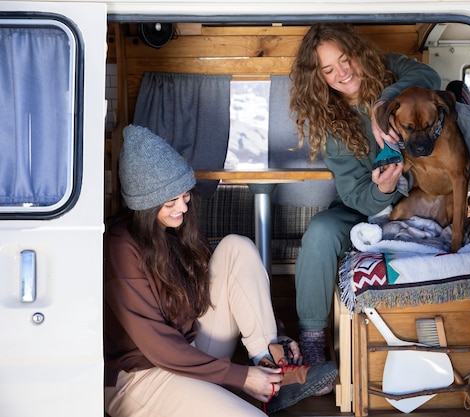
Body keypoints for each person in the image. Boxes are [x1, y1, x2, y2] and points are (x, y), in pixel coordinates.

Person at [104, 124, 337, 417]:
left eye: (185, 196)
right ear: (144, 206)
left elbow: (226, 290)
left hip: (190, 352)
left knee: (236, 247)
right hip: (143, 378)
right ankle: (261, 382)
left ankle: (272, 368)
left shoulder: (176, 227)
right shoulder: (120, 247)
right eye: (170, 202)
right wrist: (240, 377)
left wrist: (277, 335)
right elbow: (158, 346)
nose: (182, 208)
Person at [289, 23, 442, 379]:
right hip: (368, 211)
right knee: (320, 231)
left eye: (345, 60)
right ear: (320, 78)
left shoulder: (387, 68)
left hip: (425, 196)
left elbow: (429, 74)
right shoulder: (329, 123)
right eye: (329, 70)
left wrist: (382, 105)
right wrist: (383, 191)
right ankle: (312, 342)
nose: (342, 73)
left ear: (357, 54)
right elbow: (355, 194)